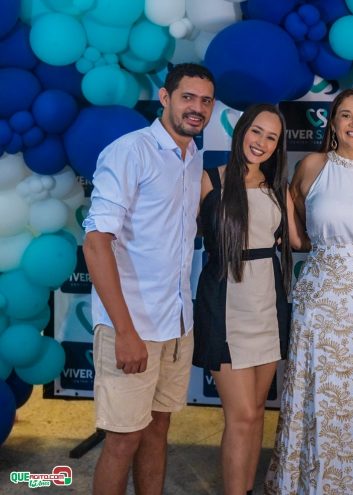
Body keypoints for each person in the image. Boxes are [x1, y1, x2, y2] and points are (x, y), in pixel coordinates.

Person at [264, 89, 353, 494]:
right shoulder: (313, 166)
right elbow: (298, 234)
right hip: (325, 299)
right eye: (345, 115)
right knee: (328, 395)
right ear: (332, 123)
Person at [82, 63, 215, 495]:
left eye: (205, 101)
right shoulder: (129, 152)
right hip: (132, 325)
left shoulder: (193, 158)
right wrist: (125, 331)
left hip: (176, 324)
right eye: (187, 97)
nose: (196, 108)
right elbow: (96, 244)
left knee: (158, 431)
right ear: (164, 97)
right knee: (123, 441)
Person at [192, 104, 302, 495]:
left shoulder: (278, 189)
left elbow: (298, 240)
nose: (261, 143)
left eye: (271, 137)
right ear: (241, 131)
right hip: (225, 307)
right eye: (256, 131)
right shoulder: (209, 180)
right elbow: (178, 233)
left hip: (268, 308)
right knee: (239, 416)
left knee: (256, 414)